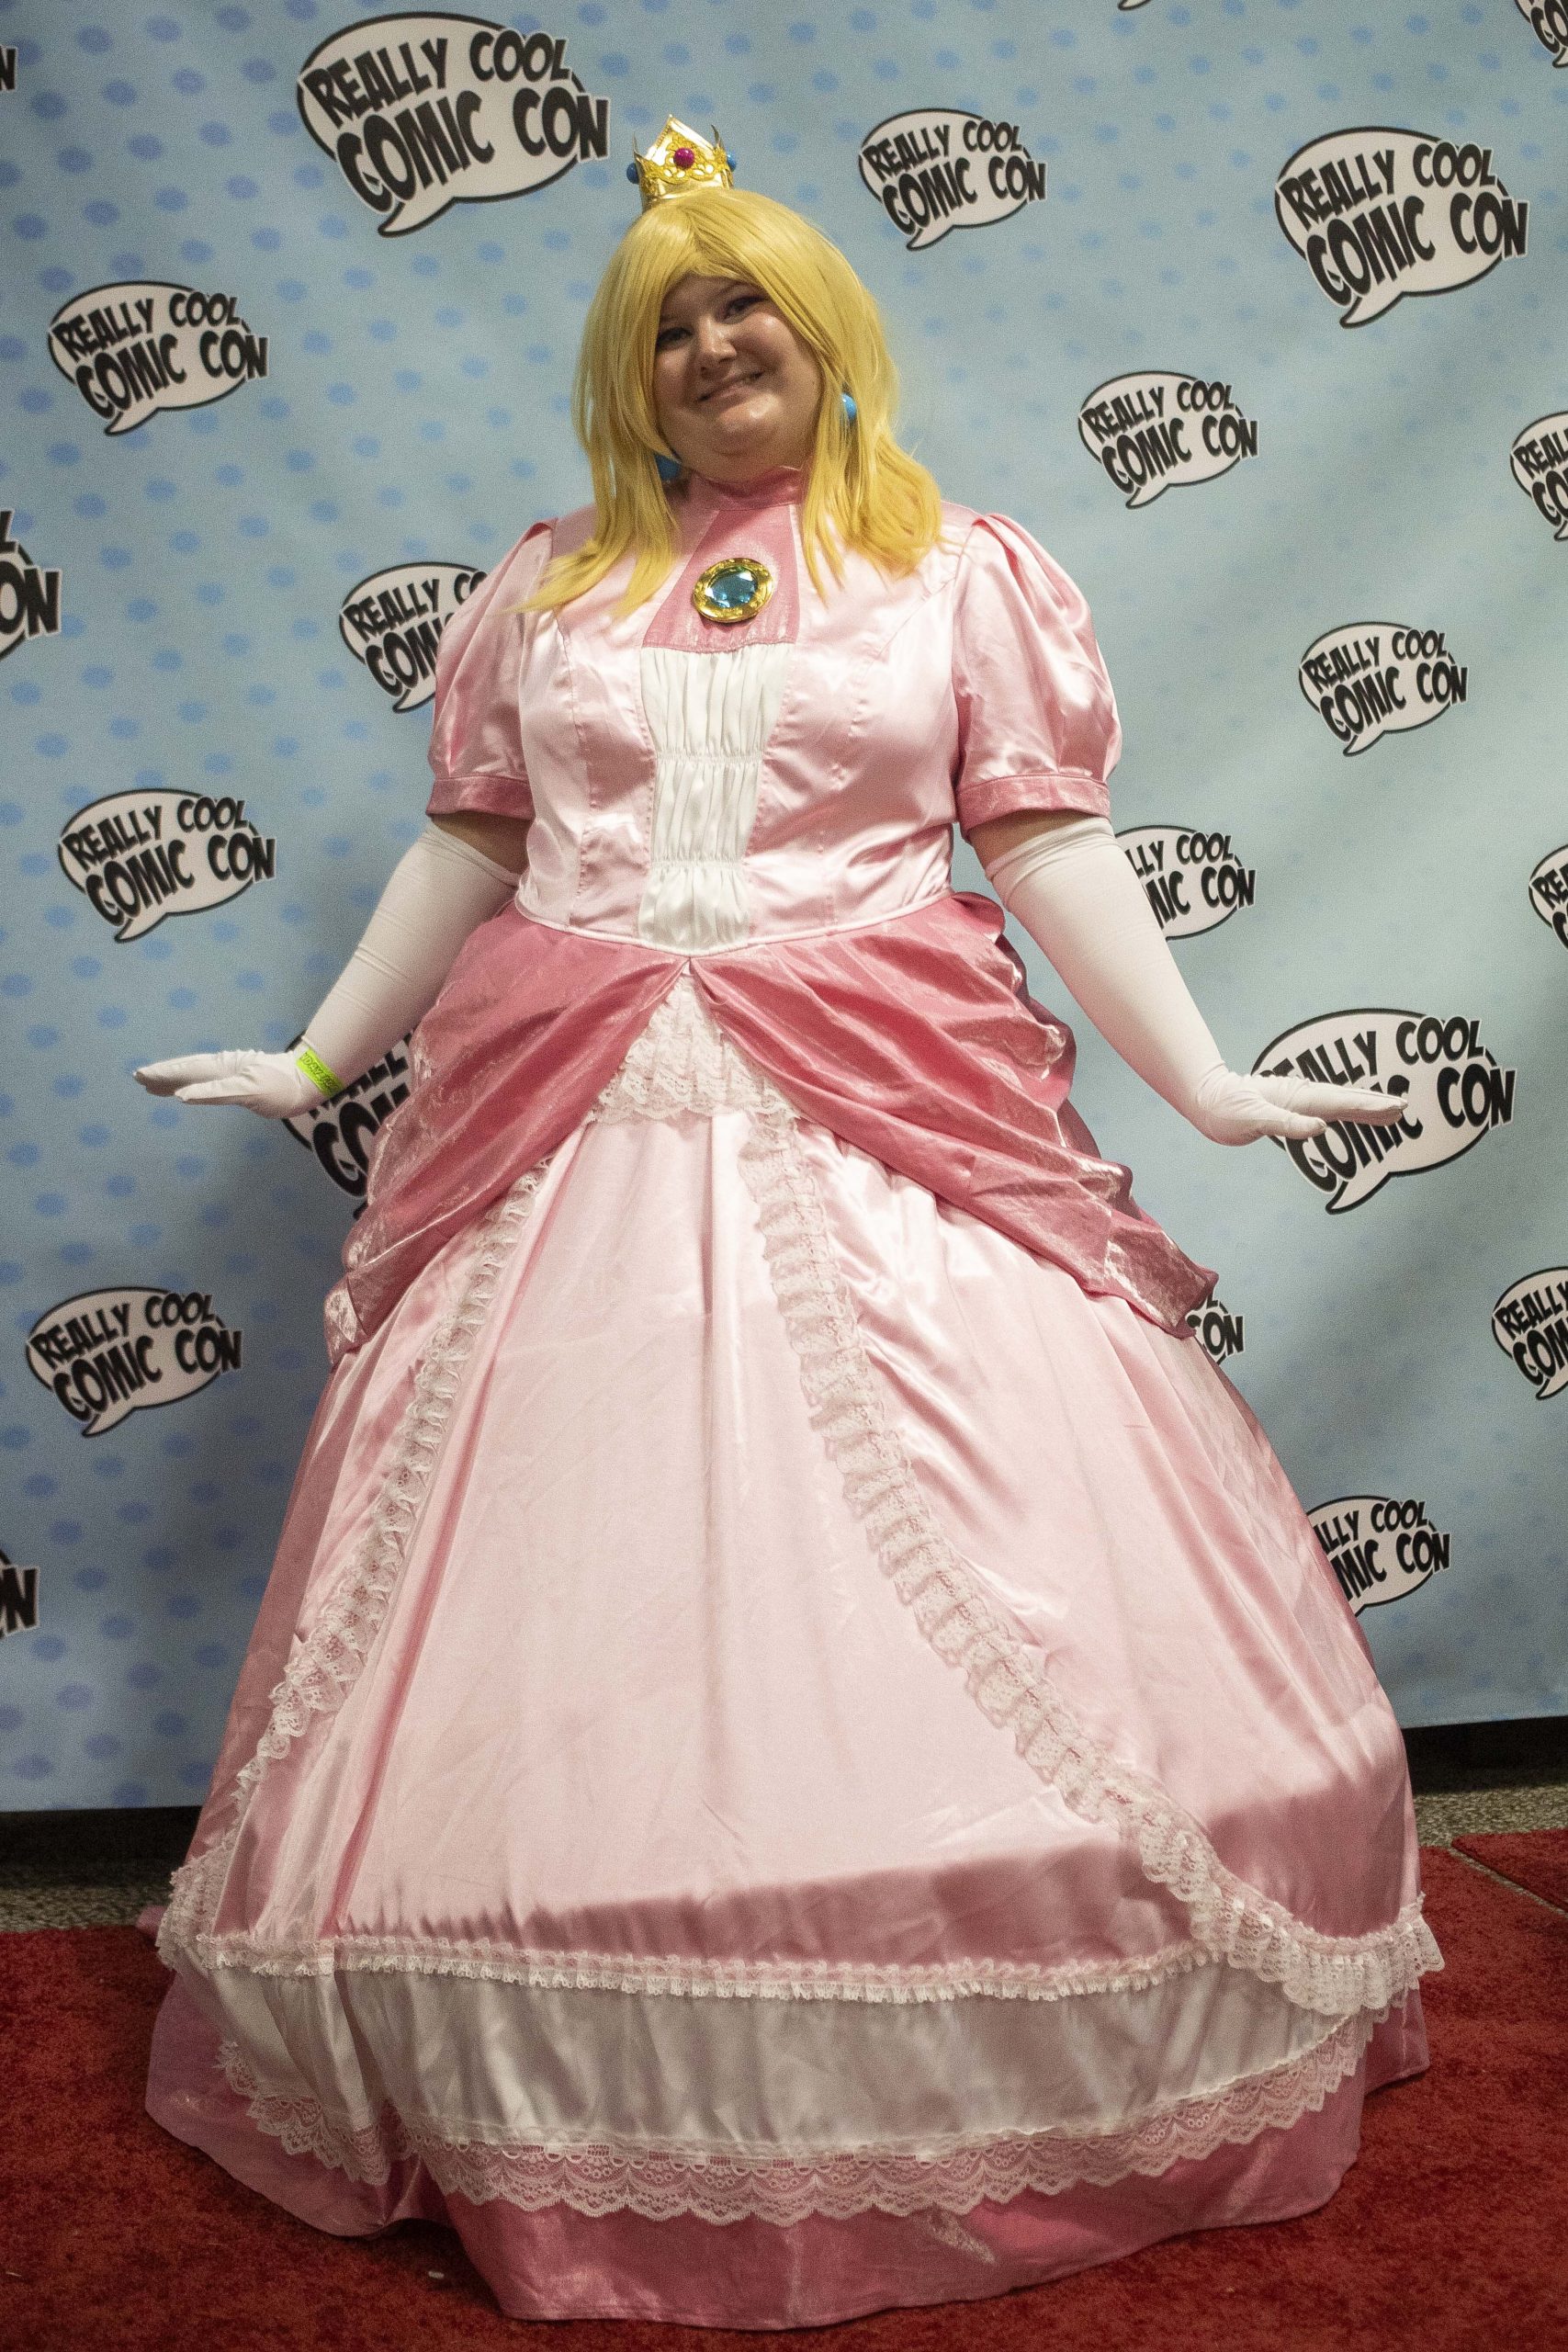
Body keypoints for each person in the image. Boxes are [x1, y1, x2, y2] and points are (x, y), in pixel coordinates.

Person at [134, 125, 1439, 2331]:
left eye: (744, 307)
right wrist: (314, 1050)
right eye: (666, 325)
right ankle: (564, 2011)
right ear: (617, 376)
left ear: (825, 330)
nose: (712, 345)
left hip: (882, 1100)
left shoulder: (956, 570)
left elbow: (1039, 844)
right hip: (567, 1112)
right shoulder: (542, 583)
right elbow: (466, 839)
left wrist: (1203, 1075)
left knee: (971, 1546)